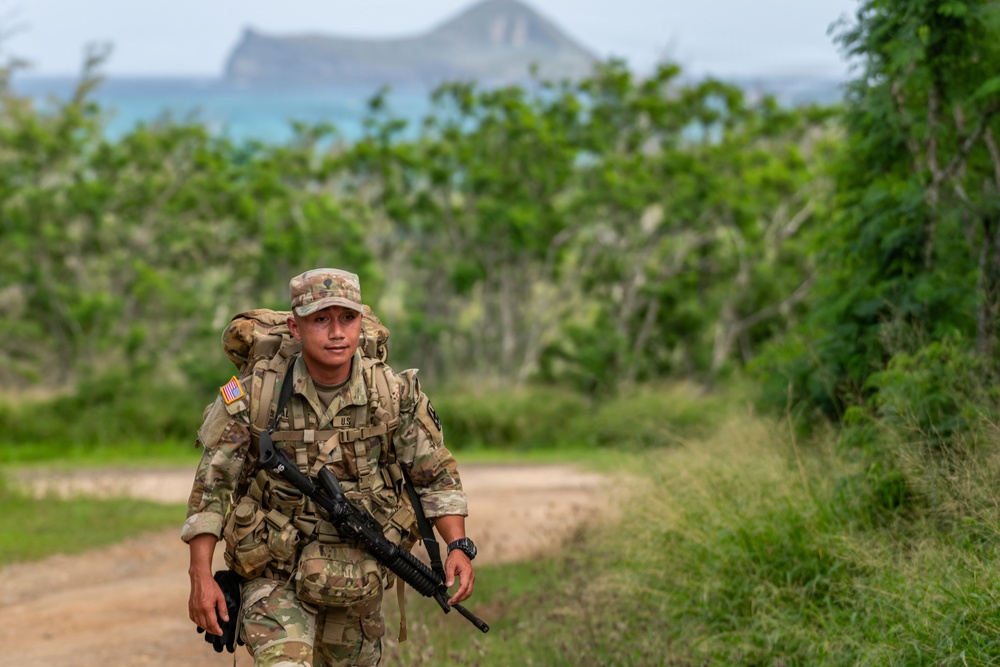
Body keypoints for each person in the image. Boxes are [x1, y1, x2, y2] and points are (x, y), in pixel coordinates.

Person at [182, 268, 477, 666]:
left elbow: (435, 475)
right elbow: (212, 488)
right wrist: (200, 576)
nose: (337, 332)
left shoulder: (392, 394)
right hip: (275, 574)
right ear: (296, 326)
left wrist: (457, 545)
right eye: (321, 319)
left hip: (358, 578)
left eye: (347, 318)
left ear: (360, 322)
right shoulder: (255, 396)